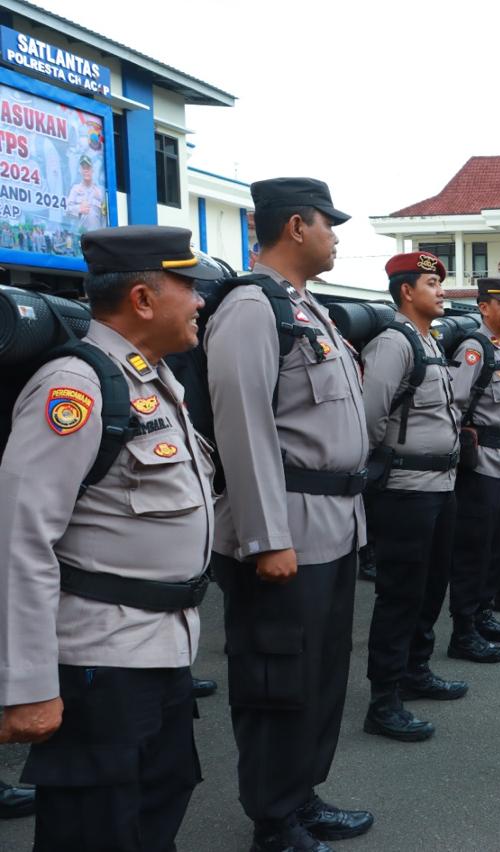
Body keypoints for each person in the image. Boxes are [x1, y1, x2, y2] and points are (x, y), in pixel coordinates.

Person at [0, 226, 221, 849]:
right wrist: (29, 688)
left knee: (158, 809)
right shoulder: (76, 386)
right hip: (100, 660)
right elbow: (20, 540)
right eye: (188, 286)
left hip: (161, 651)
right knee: (94, 830)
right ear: (144, 300)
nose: (200, 300)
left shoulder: (154, 381)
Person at [206, 178, 374, 851]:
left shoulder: (308, 308)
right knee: (277, 678)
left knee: (322, 675)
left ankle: (301, 797)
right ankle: (273, 822)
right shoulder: (252, 307)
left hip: (332, 526)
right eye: (329, 225)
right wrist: (264, 538)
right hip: (288, 532)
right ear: (297, 226)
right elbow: (242, 430)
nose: (336, 237)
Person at [360, 251, 468, 744]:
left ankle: (415, 670)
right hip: (405, 491)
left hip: (440, 487)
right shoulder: (392, 343)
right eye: (431, 282)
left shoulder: (430, 340)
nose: (442, 290)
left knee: (432, 586)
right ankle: (383, 699)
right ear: (406, 291)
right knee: (400, 593)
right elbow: (368, 419)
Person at [448, 278, 500, 658]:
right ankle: (463, 631)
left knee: (498, 545)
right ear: (484, 307)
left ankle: (484, 615)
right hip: (481, 465)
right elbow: (453, 406)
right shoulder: (474, 348)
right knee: (474, 549)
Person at [66, 154, 105, 232]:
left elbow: (105, 217)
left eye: (88, 168)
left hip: (97, 236)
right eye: (83, 168)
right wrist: (79, 209)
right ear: (80, 170)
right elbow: (68, 211)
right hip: (80, 236)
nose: (86, 170)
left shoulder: (100, 191)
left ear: (92, 170)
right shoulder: (75, 189)